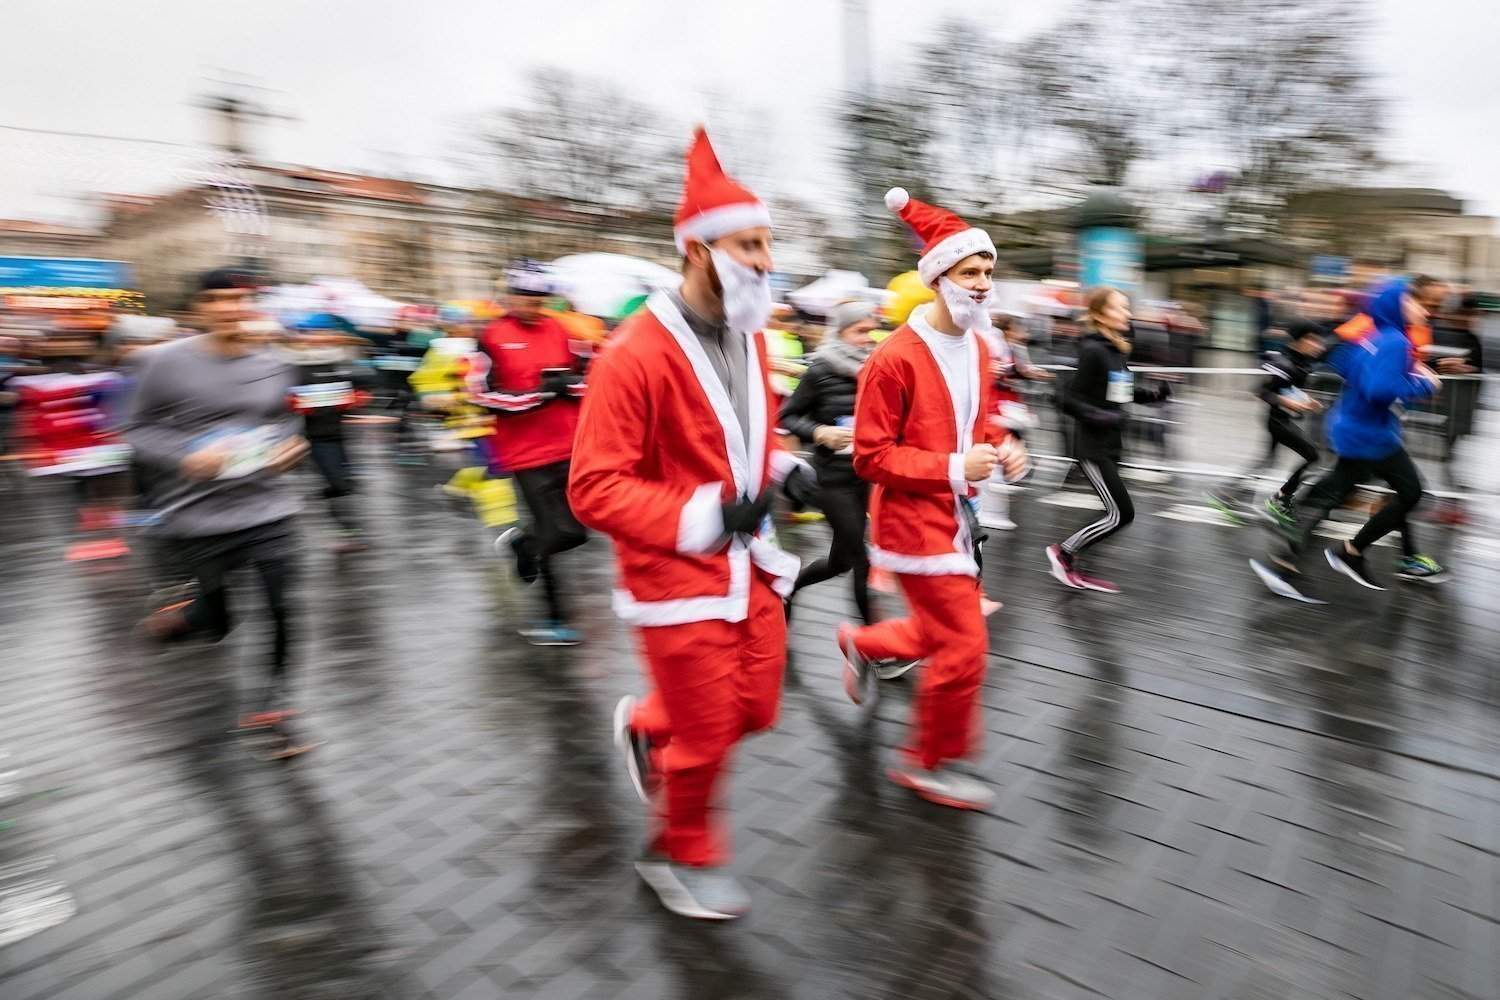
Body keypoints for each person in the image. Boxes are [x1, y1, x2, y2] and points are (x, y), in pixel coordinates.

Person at [569, 128, 815, 919]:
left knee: (758, 707)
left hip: (749, 564)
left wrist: (781, 466)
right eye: (751, 244)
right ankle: (680, 853)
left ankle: (649, 725)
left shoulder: (753, 337)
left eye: (769, 243)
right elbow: (593, 488)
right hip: (674, 575)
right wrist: (707, 513)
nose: (768, 260)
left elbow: (747, 436)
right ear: (701, 251)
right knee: (708, 737)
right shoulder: (631, 355)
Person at [833, 187, 1027, 811]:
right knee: (964, 645)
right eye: (969, 272)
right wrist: (952, 466)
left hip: (956, 517)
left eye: (988, 272)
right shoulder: (892, 361)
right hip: (911, 524)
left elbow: (977, 422)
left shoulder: (974, 346)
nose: (981, 285)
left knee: (936, 633)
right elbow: (869, 457)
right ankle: (928, 762)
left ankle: (863, 644)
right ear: (939, 278)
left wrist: (1004, 445)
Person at [127, 267, 315, 759]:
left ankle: (272, 708)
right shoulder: (164, 363)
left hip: (269, 508)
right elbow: (138, 430)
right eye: (217, 300)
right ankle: (187, 617)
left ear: (252, 304)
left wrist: (292, 446)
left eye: (239, 298)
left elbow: (284, 420)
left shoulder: (274, 363)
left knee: (281, 608)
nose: (229, 308)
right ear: (199, 309)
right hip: (202, 515)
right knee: (220, 621)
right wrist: (186, 455)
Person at [1258, 278, 1447, 593]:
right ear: (1396, 305)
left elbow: (1346, 364)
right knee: (1410, 492)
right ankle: (1349, 553)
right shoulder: (1397, 341)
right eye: (1414, 302)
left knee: (1333, 492)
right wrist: (1425, 384)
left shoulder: (1373, 336)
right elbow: (1379, 389)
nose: (1422, 310)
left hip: (1353, 428)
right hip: (1371, 436)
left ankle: (1286, 563)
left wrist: (1411, 372)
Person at [469, 260, 590, 645]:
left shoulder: (562, 329)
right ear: (509, 294)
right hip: (525, 452)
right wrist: (535, 397)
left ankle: (523, 543)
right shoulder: (490, 335)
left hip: (569, 443)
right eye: (523, 297)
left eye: (539, 299)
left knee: (576, 530)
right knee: (558, 530)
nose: (531, 305)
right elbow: (480, 393)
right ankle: (553, 619)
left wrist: (570, 385)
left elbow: (592, 377)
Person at [1045, 287, 1171, 595]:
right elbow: (1064, 398)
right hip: (1093, 449)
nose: (1127, 314)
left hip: (1111, 446)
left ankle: (1072, 555)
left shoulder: (1114, 350)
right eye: (1120, 308)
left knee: (1114, 512)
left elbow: (1120, 392)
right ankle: (1064, 552)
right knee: (1121, 513)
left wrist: (1152, 395)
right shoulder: (1093, 351)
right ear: (1101, 314)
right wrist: (1099, 417)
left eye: (1127, 308)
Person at [778, 299, 883, 630]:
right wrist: (820, 432)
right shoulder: (820, 370)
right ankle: (876, 646)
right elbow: (788, 417)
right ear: (839, 332)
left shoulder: (876, 368)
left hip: (867, 477)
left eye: (870, 330)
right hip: (833, 482)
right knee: (862, 559)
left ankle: (789, 586)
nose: (867, 337)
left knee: (841, 562)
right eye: (859, 331)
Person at [1207, 321, 1327, 526]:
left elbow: (1291, 389)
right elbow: (1262, 391)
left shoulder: (1302, 362)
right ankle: (1281, 498)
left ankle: (1225, 496)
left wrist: (1307, 400)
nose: (1319, 346)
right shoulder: (1283, 362)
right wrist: (1286, 401)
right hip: (1277, 421)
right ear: (1301, 341)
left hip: (1285, 418)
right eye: (1314, 341)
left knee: (1267, 462)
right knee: (1313, 456)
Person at [282, 330, 371, 551]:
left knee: (344, 484)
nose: (319, 345)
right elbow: (275, 399)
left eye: (326, 340)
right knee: (338, 483)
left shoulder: (340, 364)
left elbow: (366, 383)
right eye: (312, 341)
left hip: (341, 434)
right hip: (312, 437)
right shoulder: (292, 368)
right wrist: (290, 403)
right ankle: (347, 532)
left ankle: (331, 503)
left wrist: (358, 397)